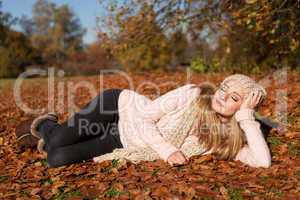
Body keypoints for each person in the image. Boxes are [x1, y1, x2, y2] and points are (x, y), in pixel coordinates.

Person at [15, 74, 273, 168]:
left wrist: (247, 119)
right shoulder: (193, 94)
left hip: (123, 139)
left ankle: (47, 134)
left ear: (242, 107)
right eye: (223, 88)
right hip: (119, 109)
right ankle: (47, 124)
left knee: (55, 158)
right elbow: (144, 118)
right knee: (59, 138)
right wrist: (168, 150)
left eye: (234, 98)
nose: (223, 96)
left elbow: (261, 162)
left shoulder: (225, 138)